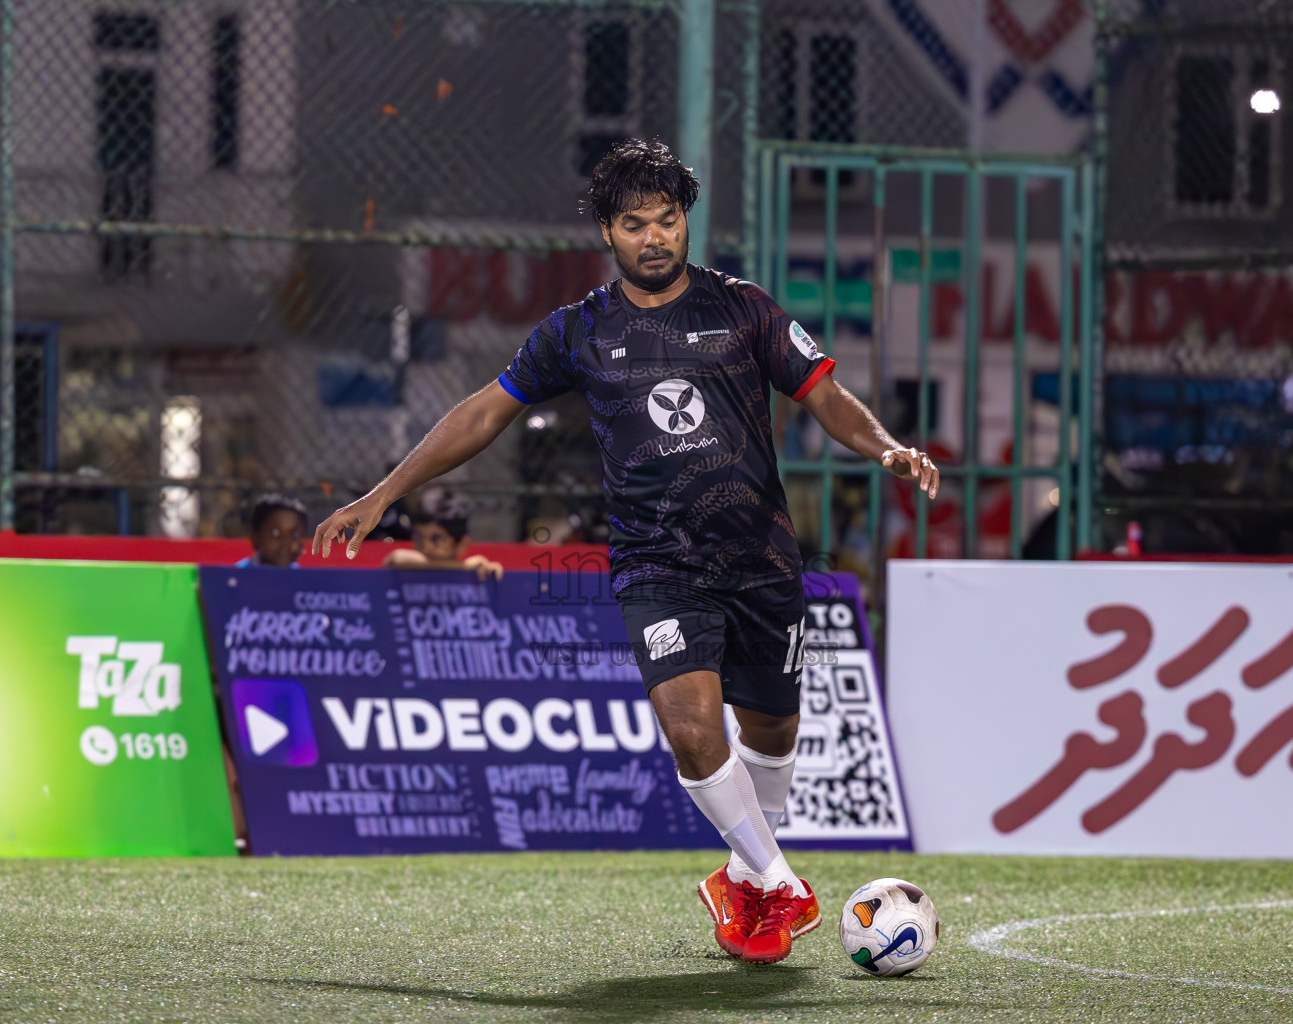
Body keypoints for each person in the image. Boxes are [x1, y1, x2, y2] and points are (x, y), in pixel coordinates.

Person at [312, 138, 937, 965]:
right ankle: (778, 879)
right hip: (658, 565)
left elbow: (823, 392)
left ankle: (744, 883)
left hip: (762, 559)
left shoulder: (745, 308)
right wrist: (382, 493)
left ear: (686, 222)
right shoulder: (577, 331)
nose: (655, 237)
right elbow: (481, 414)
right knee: (690, 727)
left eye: (668, 220)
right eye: (635, 223)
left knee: (774, 731)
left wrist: (886, 446)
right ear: (607, 232)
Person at [381, 491, 504, 580]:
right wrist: (465, 566)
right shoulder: (406, 567)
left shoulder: (473, 577)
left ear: (462, 544)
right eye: (418, 537)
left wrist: (488, 574)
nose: (425, 547)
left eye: (436, 539)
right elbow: (397, 558)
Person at [237, 494, 307, 568]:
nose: (286, 543)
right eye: (275, 533)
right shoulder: (236, 576)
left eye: (294, 535)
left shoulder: (304, 578)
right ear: (256, 536)